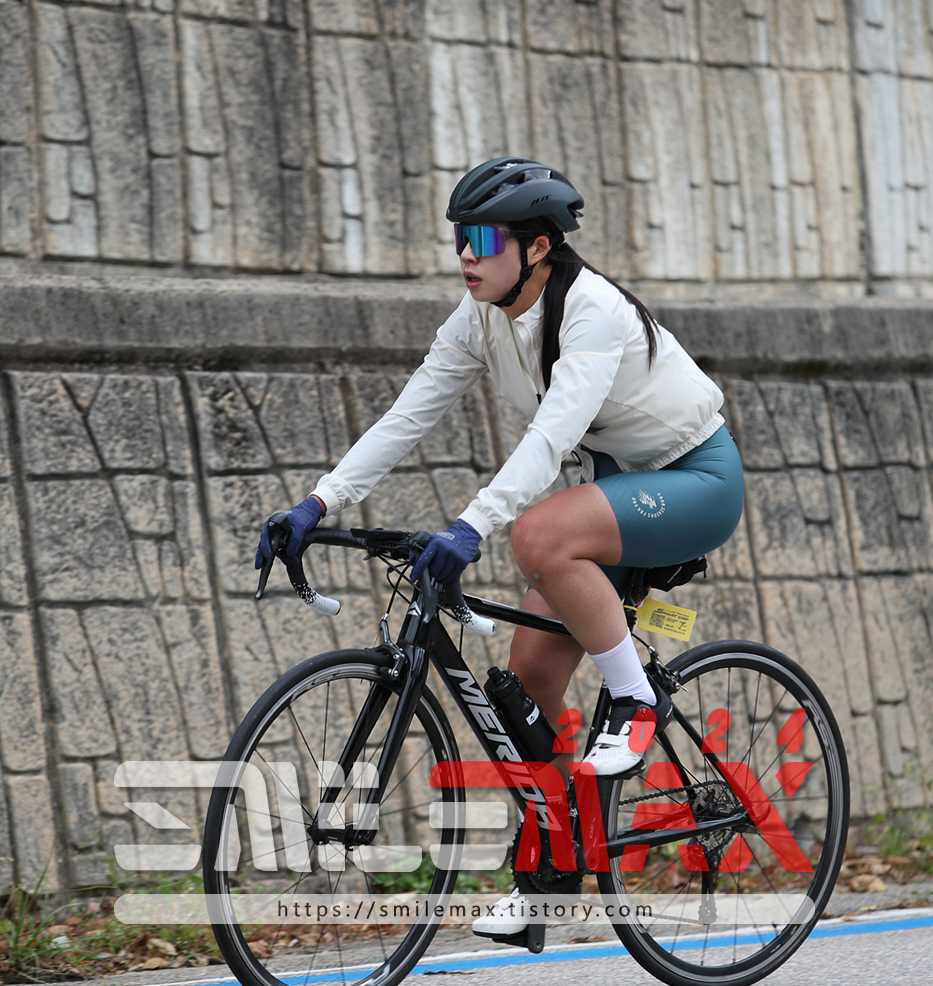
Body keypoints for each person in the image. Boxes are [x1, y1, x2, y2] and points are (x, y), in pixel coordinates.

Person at [254, 158, 744, 939]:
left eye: (482, 240)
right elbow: (409, 414)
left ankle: (636, 700)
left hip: (696, 481)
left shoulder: (591, 310)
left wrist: (471, 526)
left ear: (538, 247)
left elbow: (550, 437)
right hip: (617, 493)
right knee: (528, 685)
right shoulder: (480, 314)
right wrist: (318, 501)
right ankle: (550, 874)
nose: (465, 255)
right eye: (459, 238)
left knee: (538, 534)